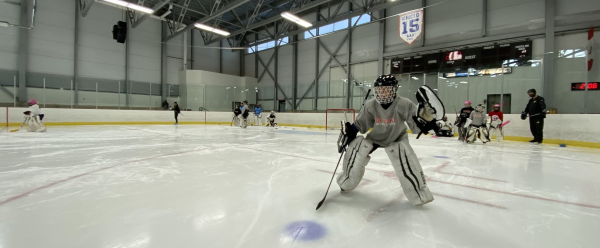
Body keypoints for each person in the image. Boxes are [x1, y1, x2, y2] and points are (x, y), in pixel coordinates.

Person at [337, 75, 439, 206]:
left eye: (386, 89)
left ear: (394, 89)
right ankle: (346, 182)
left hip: (397, 137)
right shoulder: (371, 105)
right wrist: (349, 134)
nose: (382, 93)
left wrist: (428, 121)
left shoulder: (405, 103)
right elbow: (360, 124)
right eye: (379, 90)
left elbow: (416, 126)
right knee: (356, 150)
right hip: (376, 137)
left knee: (406, 160)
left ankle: (419, 195)